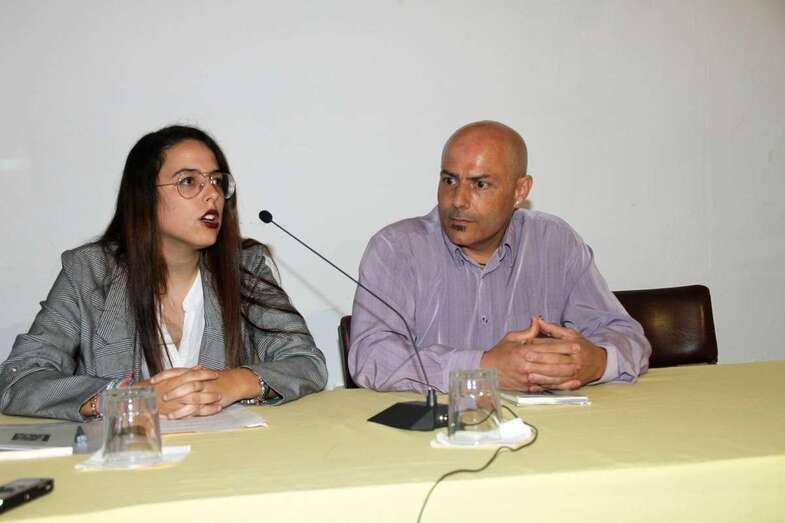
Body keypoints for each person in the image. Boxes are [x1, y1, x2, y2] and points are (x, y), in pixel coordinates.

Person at [0, 125, 327, 421]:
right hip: (127, 467)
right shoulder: (89, 273)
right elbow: (19, 378)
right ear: (144, 196)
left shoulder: (245, 267)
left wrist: (233, 383)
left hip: (229, 461)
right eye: (189, 181)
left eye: (216, 181)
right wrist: (128, 398)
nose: (211, 194)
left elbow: (305, 362)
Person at [349, 120, 650, 393]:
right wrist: (482, 368)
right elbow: (371, 355)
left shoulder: (554, 241)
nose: (457, 201)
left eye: (480, 184)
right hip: (436, 438)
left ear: (520, 191)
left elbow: (626, 335)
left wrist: (594, 361)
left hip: (551, 434)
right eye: (449, 180)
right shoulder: (397, 248)